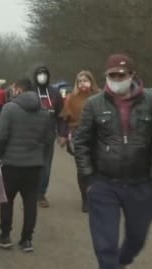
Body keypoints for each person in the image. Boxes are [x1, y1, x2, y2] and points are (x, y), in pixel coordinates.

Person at [73, 54, 152, 269]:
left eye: (121, 76)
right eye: (112, 76)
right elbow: (80, 143)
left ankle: (122, 263)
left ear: (132, 76)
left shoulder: (150, 102)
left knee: (137, 237)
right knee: (105, 239)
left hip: (141, 183)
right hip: (104, 183)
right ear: (106, 77)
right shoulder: (93, 104)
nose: (117, 80)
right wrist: (89, 178)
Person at [0, 78, 53, 253]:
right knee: (30, 202)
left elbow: (1, 136)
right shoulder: (44, 111)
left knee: (7, 200)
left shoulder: (10, 108)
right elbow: (48, 139)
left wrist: (0, 155)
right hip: (34, 164)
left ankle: (5, 235)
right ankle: (27, 239)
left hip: (12, 163)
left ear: (18, 89)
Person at [59, 71, 100, 213]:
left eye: (85, 80)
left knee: (96, 168)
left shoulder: (100, 97)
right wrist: (63, 136)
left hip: (97, 136)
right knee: (83, 169)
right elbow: (65, 118)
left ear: (91, 81)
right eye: (80, 81)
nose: (83, 83)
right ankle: (86, 199)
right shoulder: (71, 98)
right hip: (77, 135)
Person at [31, 64, 63, 208]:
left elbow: (61, 116)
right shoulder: (30, 91)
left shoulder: (55, 92)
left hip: (48, 136)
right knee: (31, 166)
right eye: (39, 74)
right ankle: (30, 192)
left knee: (45, 166)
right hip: (30, 135)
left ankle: (41, 194)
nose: (42, 76)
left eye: (45, 74)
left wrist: (62, 134)